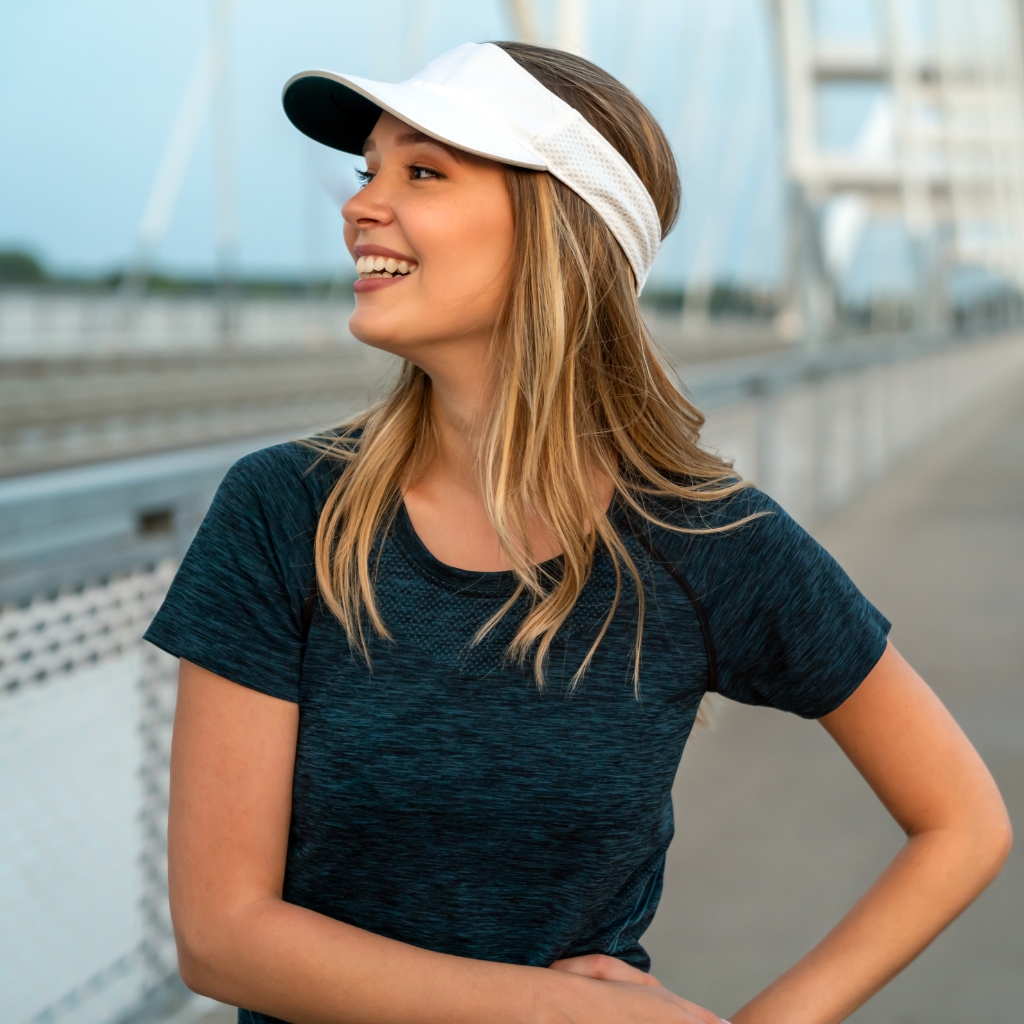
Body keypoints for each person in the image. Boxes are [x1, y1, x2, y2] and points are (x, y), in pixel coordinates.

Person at [144, 41, 1011, 1024]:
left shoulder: (703, 540)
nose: (359, 206)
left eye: (422, 171)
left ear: (557, 231)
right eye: (367, 169)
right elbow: (221, 935)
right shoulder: (285, 513)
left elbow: (962, 821)